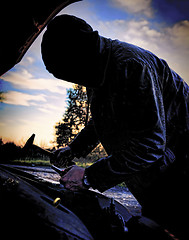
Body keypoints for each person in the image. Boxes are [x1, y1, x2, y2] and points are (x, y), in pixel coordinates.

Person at [41, 15, 189, 239]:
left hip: (182, 163)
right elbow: (100, 120)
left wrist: (89, 176)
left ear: (81, 53)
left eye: (69, 72)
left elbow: (150, 145)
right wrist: (74, 149)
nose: (75, 80)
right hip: (161, 168)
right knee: (154, 223)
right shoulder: (97, 70)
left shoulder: (131, 66)